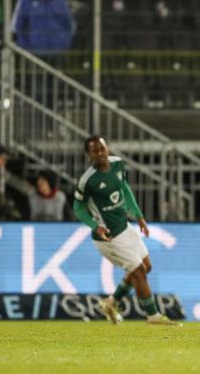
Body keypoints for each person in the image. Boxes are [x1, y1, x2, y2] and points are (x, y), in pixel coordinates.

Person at [73, 135, 178, 325]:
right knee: (138, 272)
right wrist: (95, 227)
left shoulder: (118, 165)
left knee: (146, 267)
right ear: (89, 155)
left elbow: (125, 188)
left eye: (102, 149)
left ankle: (111, 303)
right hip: (108, 236)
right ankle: (153, 316)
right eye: (94, 151)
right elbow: (78, 208)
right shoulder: (87, 181)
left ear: (108, 149)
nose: (100, 153)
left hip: (125, 227)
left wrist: (138, 215)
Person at [11, 0, 76, 54]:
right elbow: (17, 27)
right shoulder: (25, 0)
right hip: (33, 52)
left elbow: (69, 24)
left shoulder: (59, 0)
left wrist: (64, 43)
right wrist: (25, 47)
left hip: (58, 50)